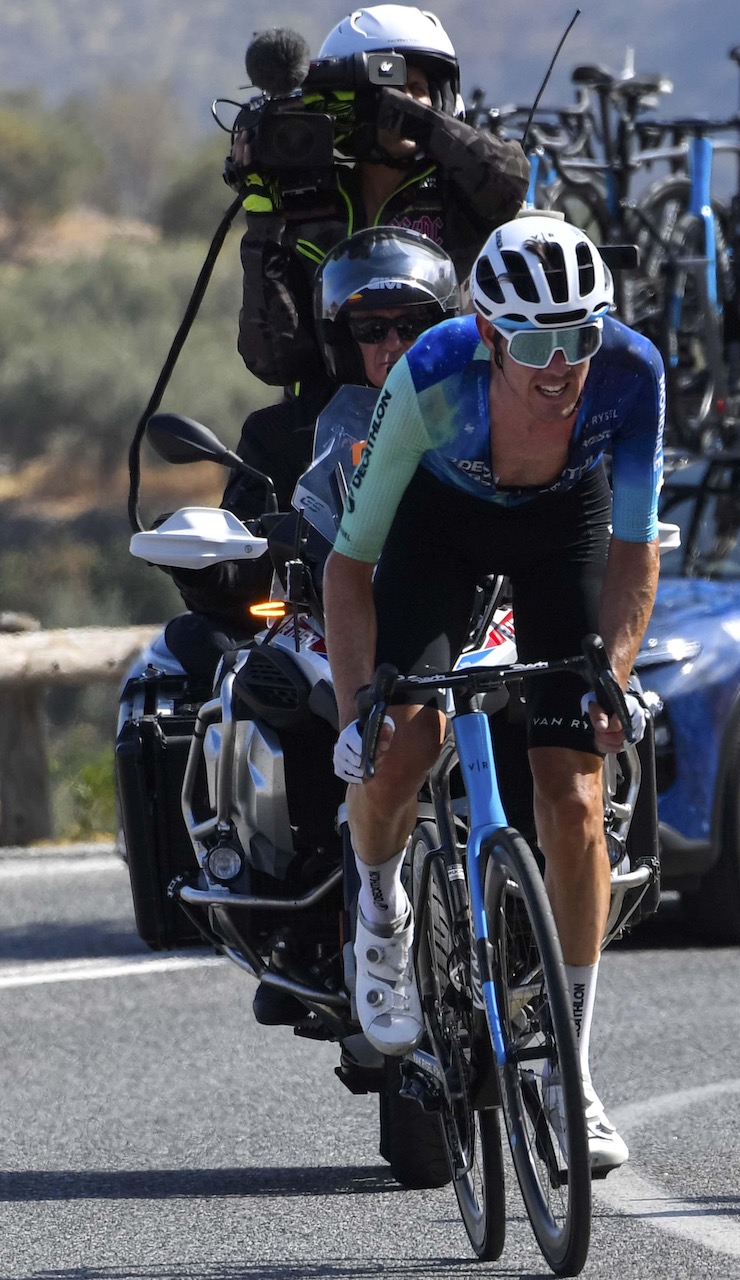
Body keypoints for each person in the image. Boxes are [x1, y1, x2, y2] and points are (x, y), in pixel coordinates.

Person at [323, 215, 666, 1173]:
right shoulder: (432, 379)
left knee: (575, 794)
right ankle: (382, 909)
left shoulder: (632, 376)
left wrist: (615, 677)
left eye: (580, 338)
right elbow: (350, 568)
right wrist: (359, 704)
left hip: (566, 525)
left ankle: (573, 1077)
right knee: (402, 741)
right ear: (487, 334)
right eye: (534, 343)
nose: (561, 367)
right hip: (440, 525)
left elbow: (635, 554)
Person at [167, 226, 458, 691]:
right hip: (319, 623)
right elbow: (242, 566)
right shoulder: (282, 436)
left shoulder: (479, 420)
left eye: (411, 326)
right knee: (218, 660)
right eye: (371, 329)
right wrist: (201, 559)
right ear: (342, 337)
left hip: (465, 616)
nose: (393, 344)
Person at [230, 5, 529, 390]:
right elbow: (274, 361)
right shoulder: (309, 201)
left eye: (416, 89)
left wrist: (405, 116)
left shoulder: (463, 193)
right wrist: (262, 223)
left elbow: (511, 181)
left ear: (441, 98)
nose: (400, 99)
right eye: (386, 91)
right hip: (334, 424)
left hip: (448, 408)